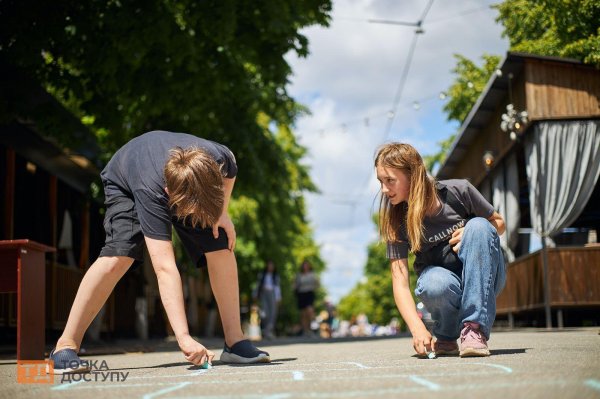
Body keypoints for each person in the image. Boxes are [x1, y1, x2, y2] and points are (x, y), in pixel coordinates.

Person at [48, 131, 270, 373]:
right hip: (128, 176)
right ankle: (64, 346)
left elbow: (232, 166)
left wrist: (222, 213)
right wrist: (184, 338)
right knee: (119, 256)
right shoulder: (151, 192)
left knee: (221, 242)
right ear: (168, 194)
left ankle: (235, 342)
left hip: (186, 180)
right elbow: (165, 268)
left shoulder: (217, 158)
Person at [375, 143, 506, 358]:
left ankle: (474, 329)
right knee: (431, 282)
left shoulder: (458, 191)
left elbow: (499, 223)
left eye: (390, 180)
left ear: (413, 175)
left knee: (480, 225)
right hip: (445, 287)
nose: (384, 189)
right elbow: (399, 283)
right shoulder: (397, 221)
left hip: (486, 278)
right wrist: (417, 328)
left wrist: (470, 231)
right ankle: (447, 335)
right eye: (380, 181)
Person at [252, 260, 281, 340]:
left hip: (272, 295)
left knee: (273, 312)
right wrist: (255, 294)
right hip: (263, 294)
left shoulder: (275, 276)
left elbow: (277, 288)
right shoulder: (262, 275)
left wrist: (278, 298)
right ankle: (264, 330)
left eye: (272, 265)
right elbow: (258, 285)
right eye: (269, 265)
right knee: (265, 312)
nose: (270, 267)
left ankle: (269, 331)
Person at [293, 260, 319, 336]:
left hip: (310, 293)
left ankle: (310, 328)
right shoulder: (299, 275)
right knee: (303, 314)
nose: (305, 266)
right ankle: (305, 330)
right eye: (304, 265)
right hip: (301, 294)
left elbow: (317, 283)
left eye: (307, 265)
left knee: (310, 310)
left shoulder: (312, 274)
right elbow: (295, 284)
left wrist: (315, 287)